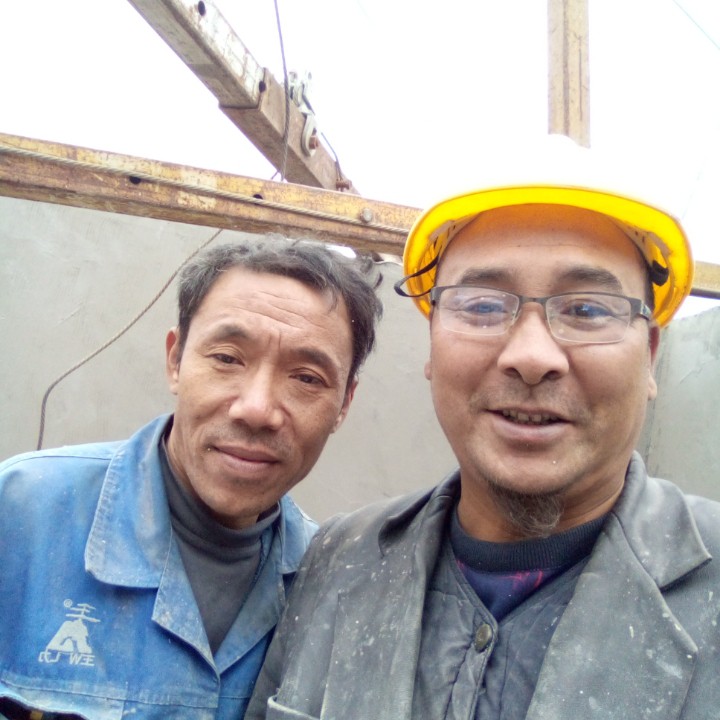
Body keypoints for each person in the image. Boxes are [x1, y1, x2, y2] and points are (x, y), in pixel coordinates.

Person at [246, 138, 720, 719]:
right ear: (431, 345)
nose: (531, 356)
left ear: (649, 356)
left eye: (587, 309)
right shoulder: (336, 560)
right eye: (483, 306)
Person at [0, 237, 383, 720]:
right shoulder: (20, 513)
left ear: (344, 404)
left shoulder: (330, 587)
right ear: (175, 360)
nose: (257, 409)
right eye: (227, 358)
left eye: (307, 378)